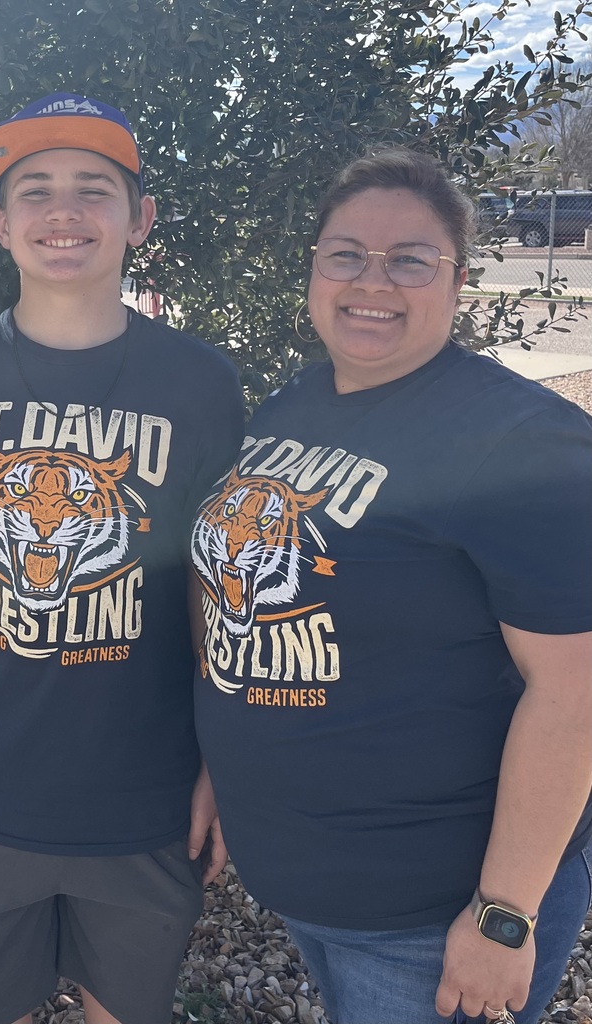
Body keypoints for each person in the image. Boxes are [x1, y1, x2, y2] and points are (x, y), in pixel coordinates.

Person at [0, 92, 245, 1024]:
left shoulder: (201, 381)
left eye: (94, 189)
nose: (63, 212)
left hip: (145, 793)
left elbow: (217, 590)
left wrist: (224, 762)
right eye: (35, 190)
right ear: (1, 223)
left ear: (139, 219)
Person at [190, 147, 592, 1024]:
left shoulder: (523, 443)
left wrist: (504, 917)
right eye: (346, 254)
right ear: (314, 269)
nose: (373, 280)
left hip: (433, 912)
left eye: (411, 259)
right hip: (309, 884)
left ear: (456, 281)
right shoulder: (294, 404)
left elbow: (574, 693)